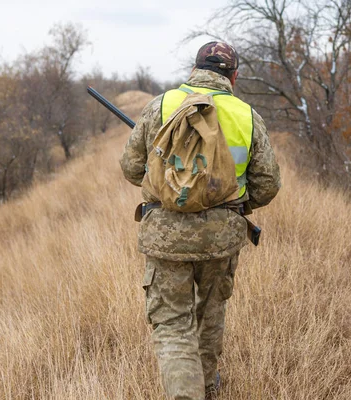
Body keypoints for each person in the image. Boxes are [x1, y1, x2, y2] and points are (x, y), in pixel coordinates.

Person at [120, 41, 281, 400]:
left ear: (193, 71)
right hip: (221, 238)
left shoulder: (160, 106)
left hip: (166, 237)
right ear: (233, 77)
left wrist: (165, 179)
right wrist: (233, 206)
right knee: (209, 318)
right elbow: (268, 184)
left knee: (174, 326)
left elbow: (132, 169)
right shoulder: (246, 116)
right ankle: (207, 388)